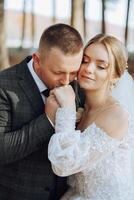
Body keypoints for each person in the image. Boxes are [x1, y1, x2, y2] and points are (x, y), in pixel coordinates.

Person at [0, 23, 83, 200]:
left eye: (73, 72)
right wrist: (47, 120)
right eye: (58, 72)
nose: (66, 81)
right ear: (37, 60)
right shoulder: (4, 86)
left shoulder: (79, 85)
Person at [47, 34, 134, 200]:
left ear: (116, 76)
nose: (88, 69)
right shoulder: (84, 106)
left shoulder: (117, 116)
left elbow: (63, 164)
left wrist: (67, 109)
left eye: (101, 66)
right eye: (85, 61)